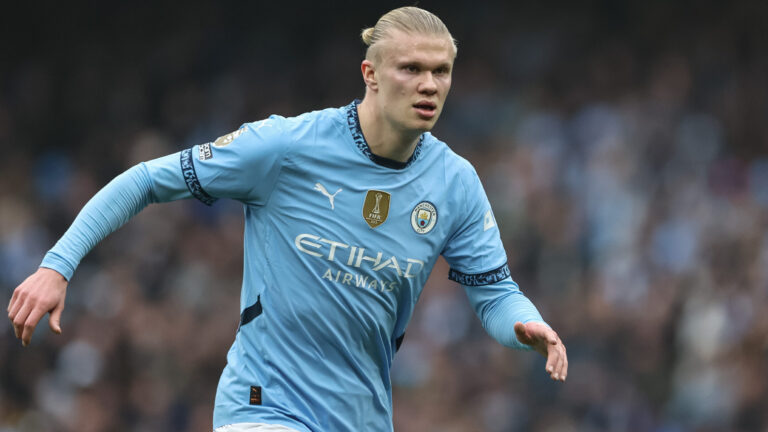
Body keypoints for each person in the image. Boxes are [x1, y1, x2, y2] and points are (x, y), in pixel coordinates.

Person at [7, 6, 567, 432]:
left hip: (360, 416)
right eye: (412, 69)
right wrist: (58, 265)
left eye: (441, 71)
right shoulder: (285, 147)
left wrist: (526, 328)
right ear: (370, 73)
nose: (429, 85)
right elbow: (148, 179)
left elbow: (494, 293)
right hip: (262, 404)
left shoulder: (455, 183)